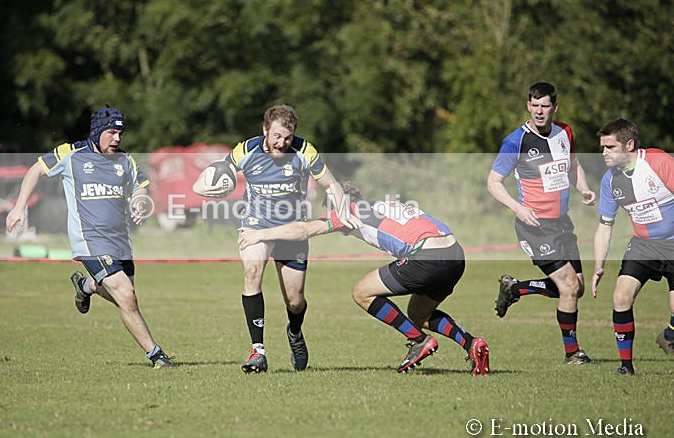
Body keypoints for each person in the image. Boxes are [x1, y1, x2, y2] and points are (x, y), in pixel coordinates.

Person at [237, 182, 490, 375]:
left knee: (361, 292)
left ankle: (418, 341)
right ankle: (471, 344)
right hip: (455, 254)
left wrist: (260, 234)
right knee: (419, 315)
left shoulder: (348, 213)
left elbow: (304, 229)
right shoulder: (387, 205)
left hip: (427, 256)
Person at [193, 104, 360, 373]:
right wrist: (204, 186)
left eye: (288, 137)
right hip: (255, 224)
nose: (282, 143)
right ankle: (257, 351)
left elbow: (330, 184)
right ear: (265, 131)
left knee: (294, 301)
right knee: (252, 271)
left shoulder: (305, 151)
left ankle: (295, 332)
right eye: (277, 136)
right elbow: (221, 170)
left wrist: (342, 210)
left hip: (292, 229)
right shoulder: (246, 150)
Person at [6, 106, 175, 369]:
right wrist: (19, 207)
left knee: (124, 295)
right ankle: (156, 355)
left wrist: (140, 202)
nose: (117, 138)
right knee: (127, 296)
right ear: (97, 132)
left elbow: (141, 186)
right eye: (111, 132)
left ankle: (86, 286)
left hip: (120, 241)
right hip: (90, 240)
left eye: (120, 133)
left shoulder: (125, 161)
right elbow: (35, 170)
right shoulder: (71, 154)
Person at [487, 81, 598, 364]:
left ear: (554, 107)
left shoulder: (565, 132)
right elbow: (493, 183)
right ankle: (572, 353)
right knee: (569, 287)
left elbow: (573, 165)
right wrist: (517, 207)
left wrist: (583, 187)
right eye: (534, 105)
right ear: (528, 106)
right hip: (534, 227)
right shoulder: (516, 142)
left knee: (577, 288)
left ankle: (516, 289)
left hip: (562, 224)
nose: (539, 111)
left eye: (544, 106)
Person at [591, 118, 674, 375]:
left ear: (629, 145)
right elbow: (605, 226)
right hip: (643, 245)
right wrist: (598, 267)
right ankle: (626, 367)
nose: (604, 153)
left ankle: (669, 335)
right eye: (602, 147)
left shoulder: (659, 162)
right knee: (620, 297)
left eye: (610, 147)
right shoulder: (610, 181)